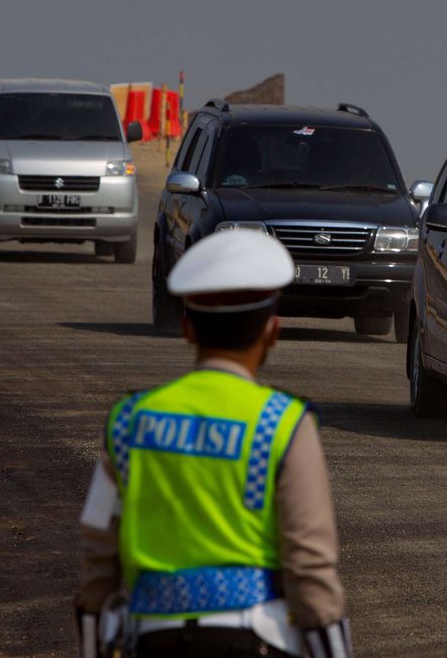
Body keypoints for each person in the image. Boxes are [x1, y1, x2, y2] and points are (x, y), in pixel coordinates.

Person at [74, 229, 353, 658]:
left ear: (188, 329)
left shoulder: (128, 421)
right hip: (252, 639)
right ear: (272, 331)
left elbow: (98, 550)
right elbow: (310, 567)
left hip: (153, 640)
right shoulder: (284, 424)